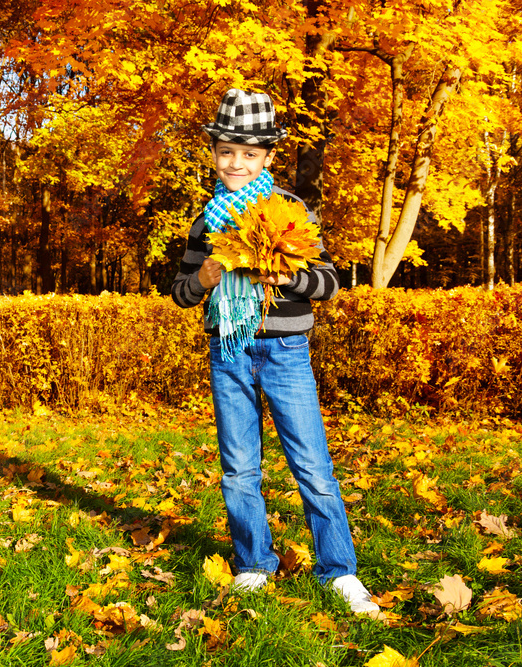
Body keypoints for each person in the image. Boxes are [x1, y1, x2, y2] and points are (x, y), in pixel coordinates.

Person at [171, 89, 379, 615]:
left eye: (248, 153)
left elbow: (329, 283)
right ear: (213, 153)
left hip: (286, 350)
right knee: (239, 466)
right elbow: (180, 293)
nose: (235, 163)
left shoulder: (291, 211)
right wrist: (202, 277)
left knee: (312, 463)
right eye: (226, 151)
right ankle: (253, 564)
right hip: (228, 350)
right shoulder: (206, 222)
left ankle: (340, 571)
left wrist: (290, 276)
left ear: (267, 157)